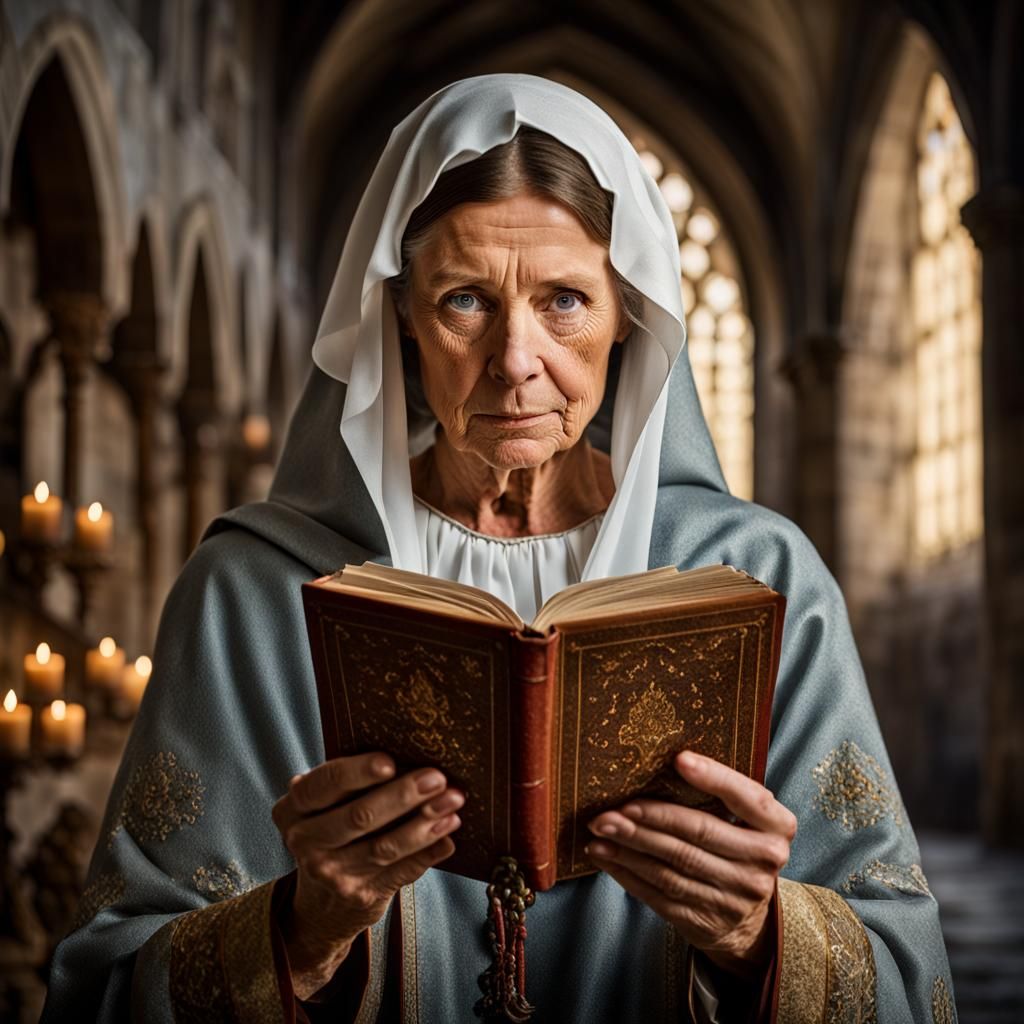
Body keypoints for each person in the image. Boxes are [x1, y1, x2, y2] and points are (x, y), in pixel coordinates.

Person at [42, 75, 955, 1023]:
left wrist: (759, 935)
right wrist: (302, 934)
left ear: (629, 313)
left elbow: (905, 977)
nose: (516, 359)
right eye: (467, 300)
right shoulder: (252, 594)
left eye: (565, 300)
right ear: (398, 311)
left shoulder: (765, 584)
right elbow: (110, 985)